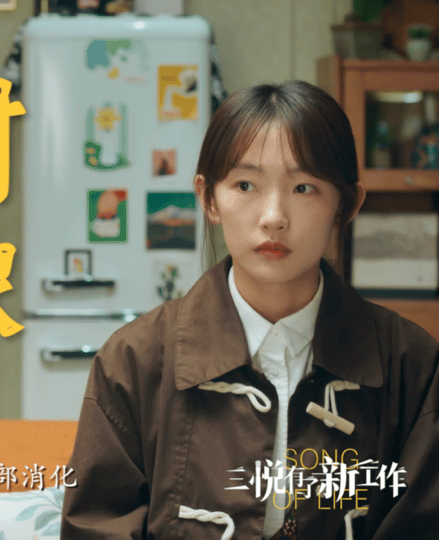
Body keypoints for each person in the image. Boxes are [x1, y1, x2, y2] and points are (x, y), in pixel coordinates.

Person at [61, 81, 439, 540]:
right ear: (208, 198)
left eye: (303, 188)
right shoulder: (134, 360)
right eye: (245, 185)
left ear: (347, 204)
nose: (273, 216)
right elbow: (96, 526)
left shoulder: (412, 364)